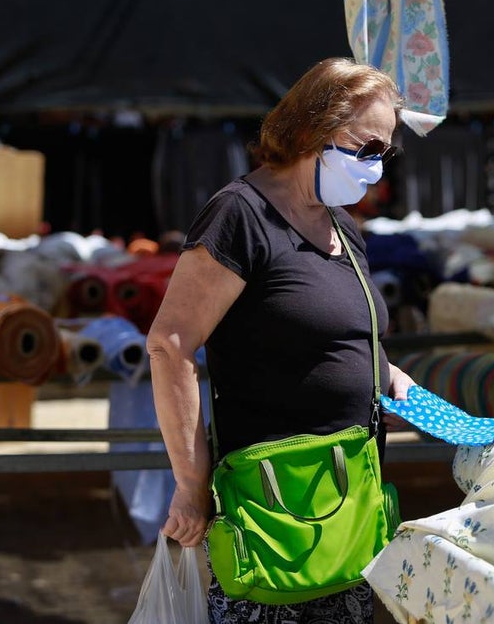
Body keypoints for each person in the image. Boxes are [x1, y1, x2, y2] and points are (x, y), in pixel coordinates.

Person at [145, 57, 417, 623]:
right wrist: (191, 483)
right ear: (316, 128)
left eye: (384, 153)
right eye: (367, 148)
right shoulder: (240, 215)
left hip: (348, 504)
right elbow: (170, 345)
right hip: (272, 510)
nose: (376, 167)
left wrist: (384, 375)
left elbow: (342, 330)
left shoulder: (342, 224)